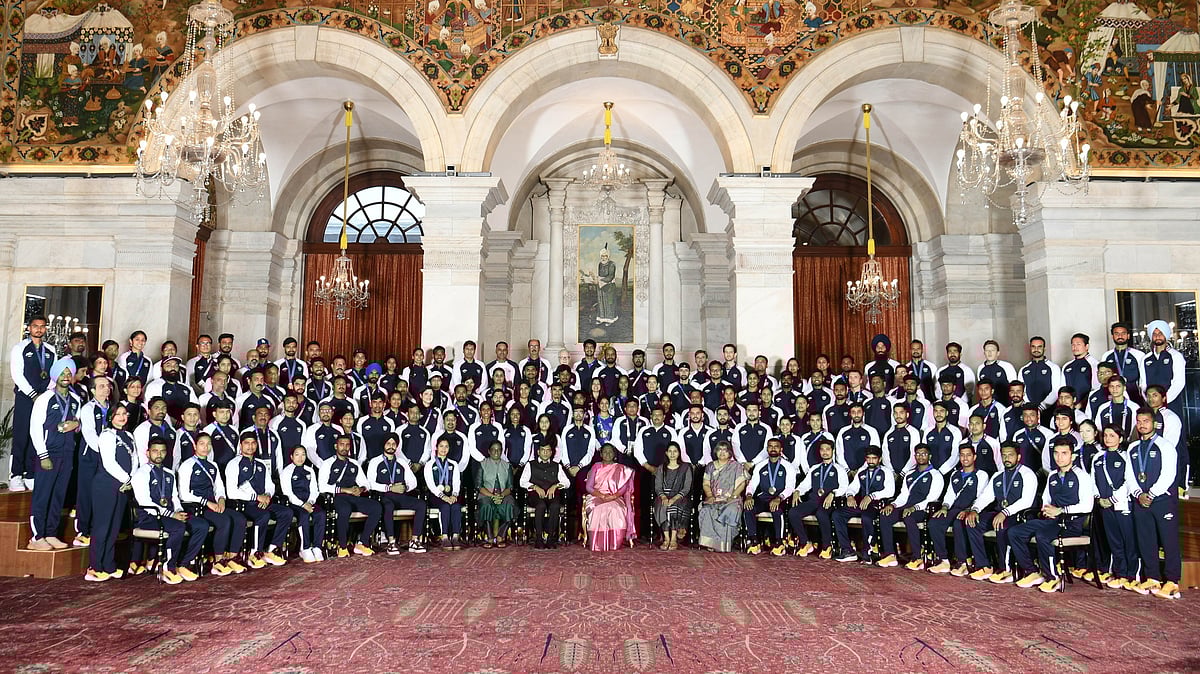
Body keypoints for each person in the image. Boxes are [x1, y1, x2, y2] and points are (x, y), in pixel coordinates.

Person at [1007, 440, 1095, 592]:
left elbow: (1088, 506)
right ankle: (1032, 572)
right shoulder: (1053, 475)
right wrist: (1046, 509)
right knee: (1015, 532)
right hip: (1052, 521)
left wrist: (1061, 510)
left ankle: (1053, 577)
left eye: (1064, 453)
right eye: (1056, 453)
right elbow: (1046, 499)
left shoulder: (1081, 476)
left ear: (1072, 456)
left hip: (1071, 524)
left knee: (1042, 535)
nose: (1059, 457)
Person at [131, 438, 207, 584]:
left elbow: (174, 497)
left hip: (171, 515)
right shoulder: (141, 473)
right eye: (155, 451)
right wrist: (172, 515)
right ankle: (168, 567)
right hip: (149, 517)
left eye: (162, 451)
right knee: (178, 527)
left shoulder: (169, 473)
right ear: (147, 453)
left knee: (201, 525)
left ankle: (183, 564)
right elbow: (145, 502)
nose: (159, 454)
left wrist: (179, 510)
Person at [1127, 408, 1182, 599]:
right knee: (1146, 540)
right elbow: (1130, 475)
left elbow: (1168, 475)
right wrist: (1138, 493)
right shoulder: (1132, 448)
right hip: (1140, 500)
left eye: (1146, 421)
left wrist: (1150, 494)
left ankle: (1172, 581)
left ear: (1154, 423)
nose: (1142, 425)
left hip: (1161, 500)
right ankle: (1152, 577)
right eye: (1139, 421)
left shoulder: (1165, 446)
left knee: (1169, 541)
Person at [28, 358, 81, 551]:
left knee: (58, 496)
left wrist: (77, 425)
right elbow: (35, 428)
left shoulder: (75, 400)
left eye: (69, 373)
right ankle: (36, 537)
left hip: (67, 453)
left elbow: (77, 422)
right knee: (42, 496)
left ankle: (50, 533)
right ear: (55, 376)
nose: (66, 377)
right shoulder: (45, 399)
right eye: (62, 373)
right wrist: (43, 455)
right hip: (48, 453)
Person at [964, 442, 1037, 582]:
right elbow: (986, 496)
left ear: (1019, 456)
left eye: (1010, 455)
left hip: (1020, 515)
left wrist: (1005, 512)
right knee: (971, 522)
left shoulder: (1027, 474)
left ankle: (1006, 569)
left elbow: (1026, 501)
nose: (1006, 458)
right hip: (1000, 513)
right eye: (1004, 455)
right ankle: (984, 566)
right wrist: (974, 510)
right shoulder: (998, 475)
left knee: (1002, 525)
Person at [178, 432, 249, 574]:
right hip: (196, 507)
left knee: (240, 519)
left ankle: (232, 558)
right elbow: (183, 494)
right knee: (224, 521)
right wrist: (207, 503)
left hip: (213, 505)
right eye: (202, 444)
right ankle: (218, 561)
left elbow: (220, 488)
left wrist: (221, 499)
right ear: (195, 445)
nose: (205, 447)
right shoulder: (187, 465)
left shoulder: (213, 465)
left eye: (208, 444)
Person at [224, 432, 293, 567]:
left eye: (253, 443)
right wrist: (256, 497)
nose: (250, 446)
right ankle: (254, 553)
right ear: (240, 445)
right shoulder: (233, 464)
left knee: (287, 512)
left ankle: (272, 550)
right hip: (245, 504)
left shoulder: (261, 464)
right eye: (246, 443)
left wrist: (267, 496)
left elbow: (270, 485)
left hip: (263, 501)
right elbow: (231, 492)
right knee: (263, 516)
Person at [87, 402, 138, 581]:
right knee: (102, 527)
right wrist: (127, 479)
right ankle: (94, 566)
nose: (122, 417)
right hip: (106, 486)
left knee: (114, 528)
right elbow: (109, 463)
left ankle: (108, 565)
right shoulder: (107, 435)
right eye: (118, 414)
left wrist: (131, 479)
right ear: (111, 417)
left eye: (125, 414)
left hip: (123, 487)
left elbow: (135, 460)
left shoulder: (129, 436)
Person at [876, 444, 944, 569]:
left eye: (923, 453)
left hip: (923, 509)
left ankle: (917, 558)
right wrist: (892, 505)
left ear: (929, 456)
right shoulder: (910, 474)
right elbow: (903, 496)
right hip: (906, 507)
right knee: (885, 514)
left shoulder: (936, 475)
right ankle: (890, 555)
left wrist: (914, 508)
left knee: (909, 517)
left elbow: (932, 498)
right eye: (918, 454)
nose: (920, 456)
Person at [926, 445, 990, 576]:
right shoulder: (955, 474)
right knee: (934, 522)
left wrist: (969, 510)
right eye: (962, 455)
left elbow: (982, 497)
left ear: (974, 457)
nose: (965, 458)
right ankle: (943, 560)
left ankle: (963, 563)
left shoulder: (981, 474)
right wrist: (944, 507)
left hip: (971, 510)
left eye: (968, 455)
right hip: (955, 509)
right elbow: (950, 495)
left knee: (958, 523)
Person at [9, 315, 53, 491]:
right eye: (36, 326)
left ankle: (29, 473)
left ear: (46, 329)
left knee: (37, 434)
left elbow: (53, 374)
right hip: (25, 398)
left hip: (42, 398)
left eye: (42, 327)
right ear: (29, 328)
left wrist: (45, 394)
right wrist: (33, 394)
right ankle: (15, 475)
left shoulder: (50, 350)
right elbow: (17, 374)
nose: (39, 329)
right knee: (21, 436)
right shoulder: (20, 348)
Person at [787, 439, 850, 558]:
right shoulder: (814, 468)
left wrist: (833, 493)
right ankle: (805, 543)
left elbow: (844, 487)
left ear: (833, 451)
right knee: (793, 512)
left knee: (821, 514)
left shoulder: (839, 469)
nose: (825, 452)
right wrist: (797, 491)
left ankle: (827, 546)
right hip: (814, 500)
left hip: (829, 502)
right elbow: (806, 484)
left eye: (827, 449)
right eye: (822, 449)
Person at [367, 434, 428, 554]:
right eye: (388, 444)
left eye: (393, 444)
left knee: (421, 504)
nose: (391, 446)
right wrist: (390, 487)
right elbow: (370, 483)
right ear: (383, 445)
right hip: (384, 496)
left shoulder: (401, 462)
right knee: (388, 506)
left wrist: (405, 487)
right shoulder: (375, 462)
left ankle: (414, 541)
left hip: (401, 496)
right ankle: (391, 542)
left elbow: (413, 482)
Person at [832, 445, 894, 562]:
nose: (871, 461)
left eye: (874, 458)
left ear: (879, 459)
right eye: (868, 458)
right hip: (861, 503)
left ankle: (868, 551)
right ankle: (848, 550)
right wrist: (850, 496)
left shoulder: (886, 472)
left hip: (877, 505)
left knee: (866, 517)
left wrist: (871, 496)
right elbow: (852, 488)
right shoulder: (862, 472)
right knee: (837, 514)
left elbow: (890, 491)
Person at [1092, 424, 1135, 590]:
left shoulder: (1125, 457)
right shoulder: (1098, 457)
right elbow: (1093, 479)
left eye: (1112, 435)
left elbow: (1128, 481)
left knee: (1127, 540)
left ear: (1121, 438)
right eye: (1106, 435)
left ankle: (1131, 574)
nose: (1108, 438)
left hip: (1122, 504)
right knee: (1114, 540)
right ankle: (1120, 573)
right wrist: (1099, 498)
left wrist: (1112, 498)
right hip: (1104, 505)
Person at [75, 375, 113, 547]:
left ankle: (98, 529)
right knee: (86, 493)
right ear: (92, 390)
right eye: (101, 386)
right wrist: (104, 449)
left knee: (103, 495)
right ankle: (82, 531)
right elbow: (89, 434)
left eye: (107, 386)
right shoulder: (88, 408)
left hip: (108, 457)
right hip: (91, 455)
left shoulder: (112, 408)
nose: (106, 389)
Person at [743, 438, 797, 556]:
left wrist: (779, 498)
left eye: (776, 446)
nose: (773, 448)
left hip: (780, 498)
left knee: (776, 509)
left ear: (781, 449)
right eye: (770, 446)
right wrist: (748, 495)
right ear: (767, 449)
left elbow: (790, 487)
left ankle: (779, 542)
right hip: (763, 498)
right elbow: (752, 484)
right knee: (748, 508)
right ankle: (754, 541)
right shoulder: (760, 466)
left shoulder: (788, 466)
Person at [698, 441, 746, 553]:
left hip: (732, 499)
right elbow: (706, 484)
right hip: (714, 498)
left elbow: (741, 484)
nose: (722, 452)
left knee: (730, 510)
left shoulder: (736, 466)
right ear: (716, 452)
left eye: (725, 450)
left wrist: (733, 496)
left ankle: (724, 544)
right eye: (720, 450)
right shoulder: (710, 466)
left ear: (730, 453)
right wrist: (709, 496)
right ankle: (711, 542)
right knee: (707, 510)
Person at [521, 442, 570, 548]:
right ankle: (539, 538)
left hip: (552, 495)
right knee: (541, 506)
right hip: (535, 496)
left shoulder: (557, 466)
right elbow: (522, 482)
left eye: (548, 450)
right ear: (538, 452)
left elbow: (567, 483)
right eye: (543, 450)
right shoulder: (530, 464)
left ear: (551, 452)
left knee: (555, 506)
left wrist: (556, 486)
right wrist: (535, 487)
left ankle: (550, 539)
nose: (545, 452)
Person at [424, 437, 466, 549]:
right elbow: (430, 484)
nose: (443, 449)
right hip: (436, 495)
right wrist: (442, 496)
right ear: (436, 447)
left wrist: (455, 494)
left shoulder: (453, 464)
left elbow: (457, 481)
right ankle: (445, 537)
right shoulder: (430, 464)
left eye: (446, 446)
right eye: (441, 446)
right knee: (445, 507)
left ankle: (456, 537)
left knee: (456, 506)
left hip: (451, 494)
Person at [477, 440, 516, 548]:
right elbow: (479, 486)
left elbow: (510, 487)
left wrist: (502, 495)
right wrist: (492, 496)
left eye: (499, 449)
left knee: (510, 504)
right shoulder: (483, 464)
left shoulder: (507, 465)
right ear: (489, 451)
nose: (496, 452)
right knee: (486, 505)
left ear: (502, 451)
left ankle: (500, 536)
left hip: (503, 495)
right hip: (486, 495)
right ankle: (489, 537)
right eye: (493, 449)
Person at [653, 442, 692, 551]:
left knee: (673, 507)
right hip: (663, 496)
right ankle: (666, 538)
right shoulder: (661, 468)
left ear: (679, 453)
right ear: (666, 453)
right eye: (670, 451)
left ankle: (674, 539)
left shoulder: (685, 468)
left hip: (680, 497)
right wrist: (664, 497)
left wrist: (674, 498)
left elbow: (686, 487)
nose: (672, 454)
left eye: (675, 451)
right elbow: (658, 487)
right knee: (662, 505)